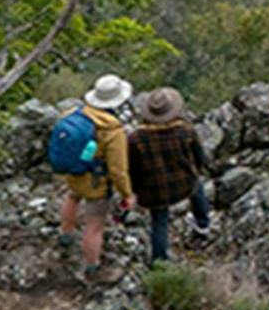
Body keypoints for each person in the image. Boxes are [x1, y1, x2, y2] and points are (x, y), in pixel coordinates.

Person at [55, 73, 135, 281]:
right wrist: (127, 194)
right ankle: (92, 265)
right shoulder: (112, 130)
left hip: (74, 172)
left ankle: (66, 234)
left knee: (72, 197)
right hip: (96, 182)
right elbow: (118, 169)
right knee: (94, 225)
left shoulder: (74, 113)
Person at [127, 86, 213, 265]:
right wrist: (195, 170)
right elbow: (200, 158)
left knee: (159, 222)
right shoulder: (186, 131)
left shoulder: (135, 138)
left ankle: (160, 262)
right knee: (197, 187)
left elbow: (133, 169)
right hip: (184, 183)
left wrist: (135, 190)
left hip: (154, 191)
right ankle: (203, 225)